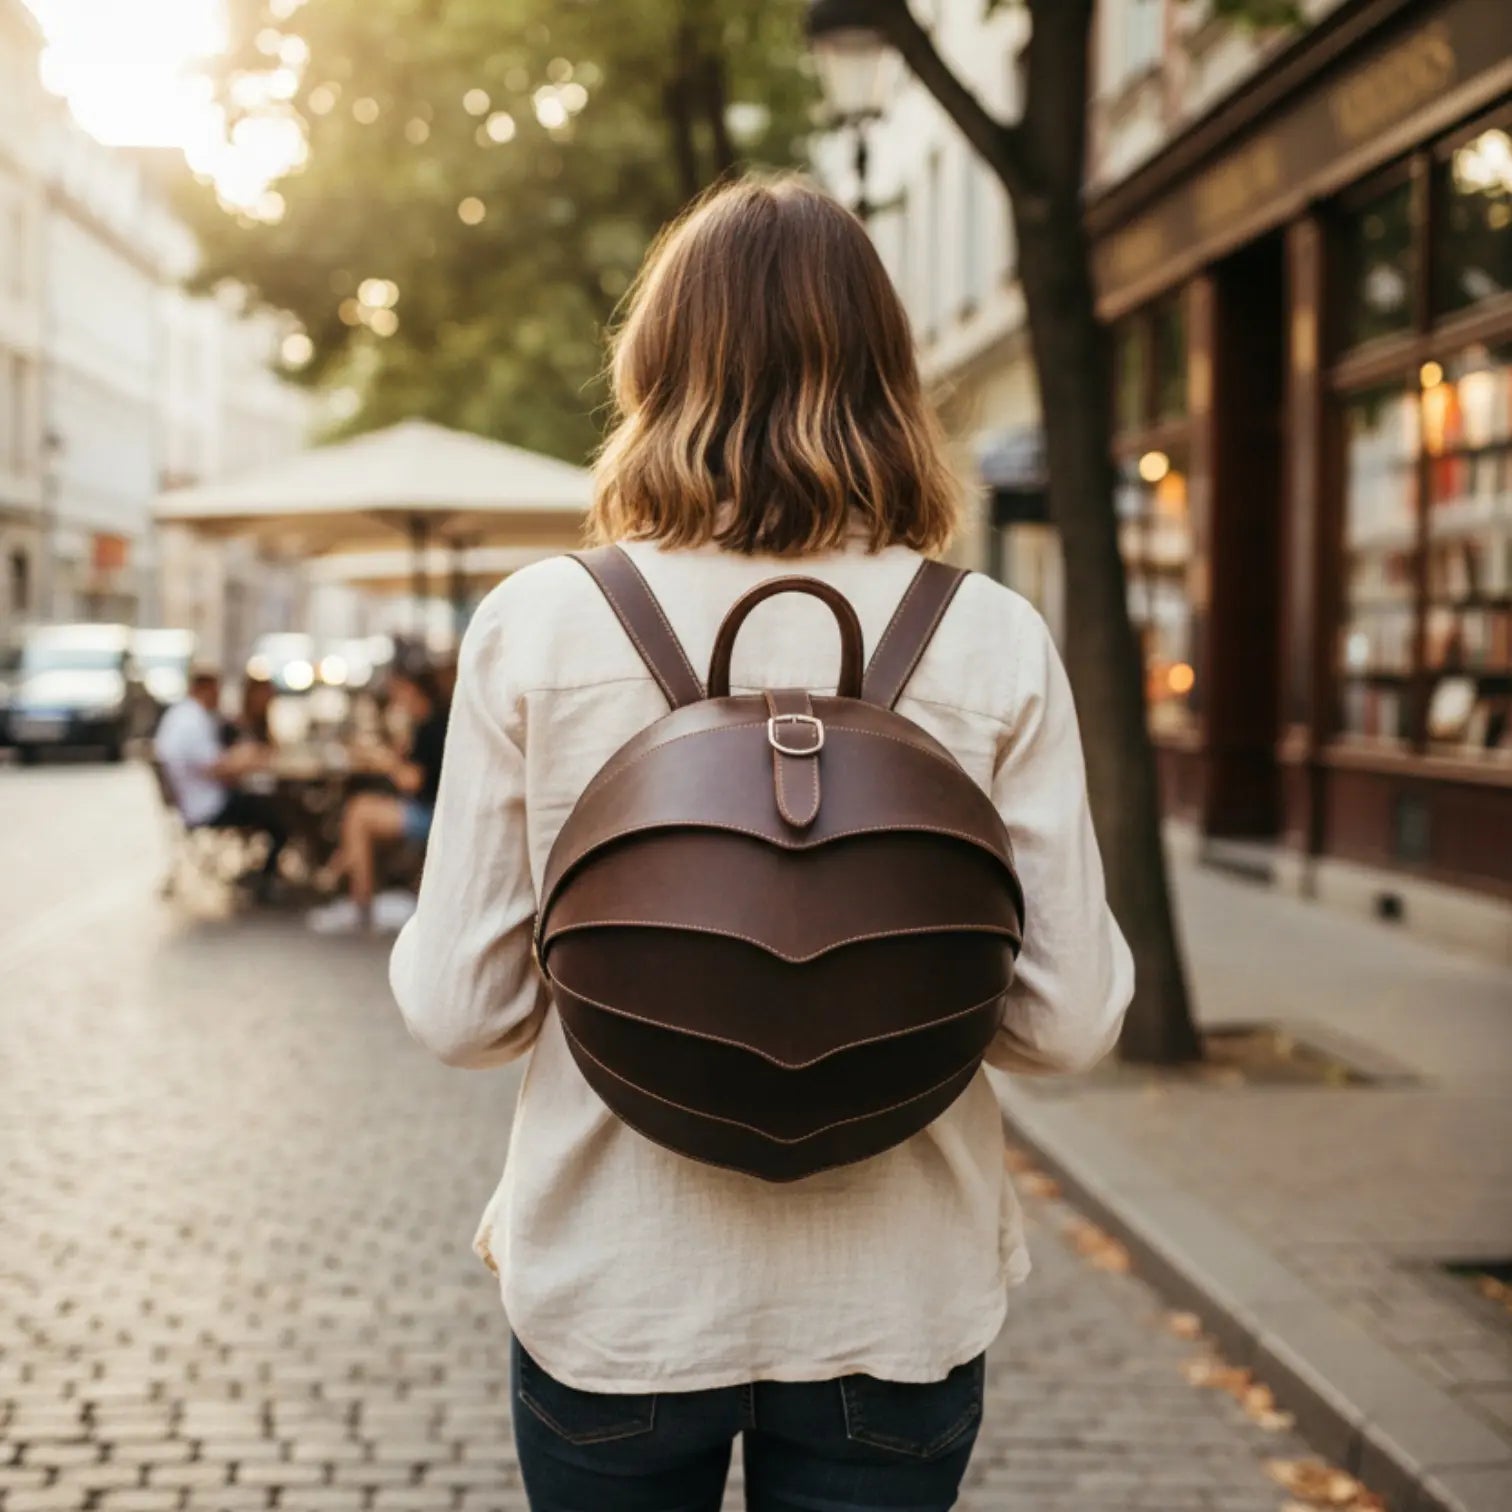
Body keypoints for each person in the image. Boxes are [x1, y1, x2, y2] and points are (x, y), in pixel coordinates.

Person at [391, 176, 1134, 1512]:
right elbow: (1069, 1022)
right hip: (892, 1294)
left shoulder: (540, 625)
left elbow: (462, 1012)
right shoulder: (991, 637)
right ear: (891, 382)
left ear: (654, 369)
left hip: (621, 1289)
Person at [306, 664, 448, 935]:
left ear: (411, 690)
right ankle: (340, 877)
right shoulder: (424, 723)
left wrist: (386, 761)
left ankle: (359, 902)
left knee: (358, 815)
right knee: (359, 809)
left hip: (431, 814)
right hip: (427, 808)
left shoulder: (433, 726)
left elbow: (412, 781)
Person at [155, 667, 287, 901]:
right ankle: (266, 879)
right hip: (207, 804)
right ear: (204, 689)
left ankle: (263, 874)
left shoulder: (181, 715)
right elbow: (215, 768)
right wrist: (244, 757)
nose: (219, 697)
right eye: (216, 691)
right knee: (280, 814)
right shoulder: (192, 721)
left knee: (269, 805)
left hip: (193, 800)